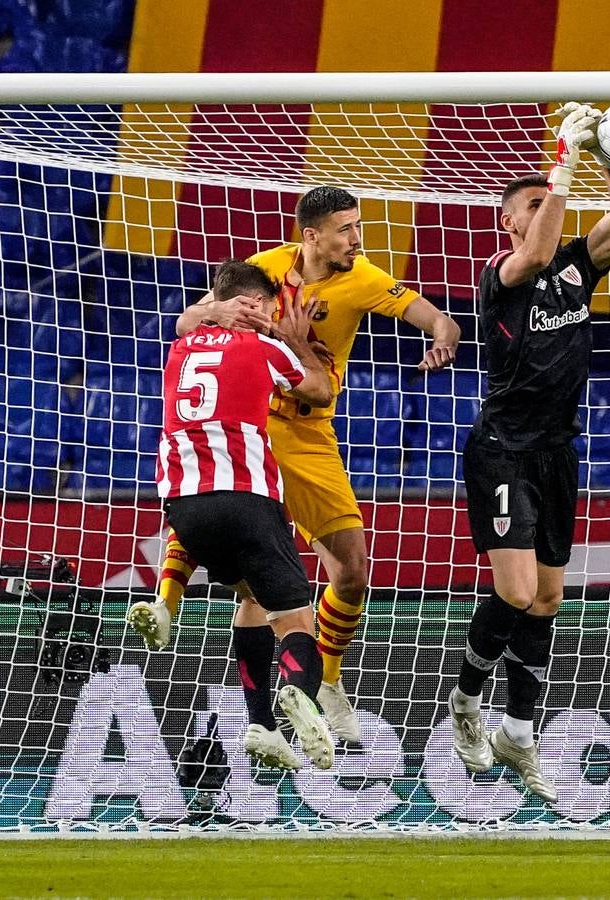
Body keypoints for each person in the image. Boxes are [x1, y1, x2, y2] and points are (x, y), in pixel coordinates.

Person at [154, 186, 462, 746]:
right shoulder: (263, 267)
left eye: (358, 226)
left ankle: (328, 676)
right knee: (252, 585)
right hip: (253, 428)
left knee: (352, 568)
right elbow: (189, 325)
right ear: (312, 235)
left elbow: (440, 320)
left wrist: (443, 341)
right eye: (347, 229)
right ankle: (259, 715)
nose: (357, 238)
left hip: (310, 432)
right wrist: (213, 309)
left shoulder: (365, 278)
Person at [447, 103, 610, 802]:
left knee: (548, 600)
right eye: (531, 205)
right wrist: (560, 165)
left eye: (548, 203)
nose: (545, 213)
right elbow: (534, 250)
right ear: (507, 220)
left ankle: (519, 732)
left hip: (558, 451)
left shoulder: (573, 269)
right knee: (516, 590)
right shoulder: (502, 272)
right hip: (501, 448)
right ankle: (466, 699)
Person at [127, 259, 337, 771]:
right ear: (258, 306)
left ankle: (260, 723)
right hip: (249, 498)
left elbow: (187, 321)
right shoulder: (264, 347)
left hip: (182, 504)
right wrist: (291, 337)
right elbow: (318, 391)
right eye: (269, 304)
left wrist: (214, 310)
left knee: (248, 595)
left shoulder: (179, 350)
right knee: (297, 623)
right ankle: (296, 692)